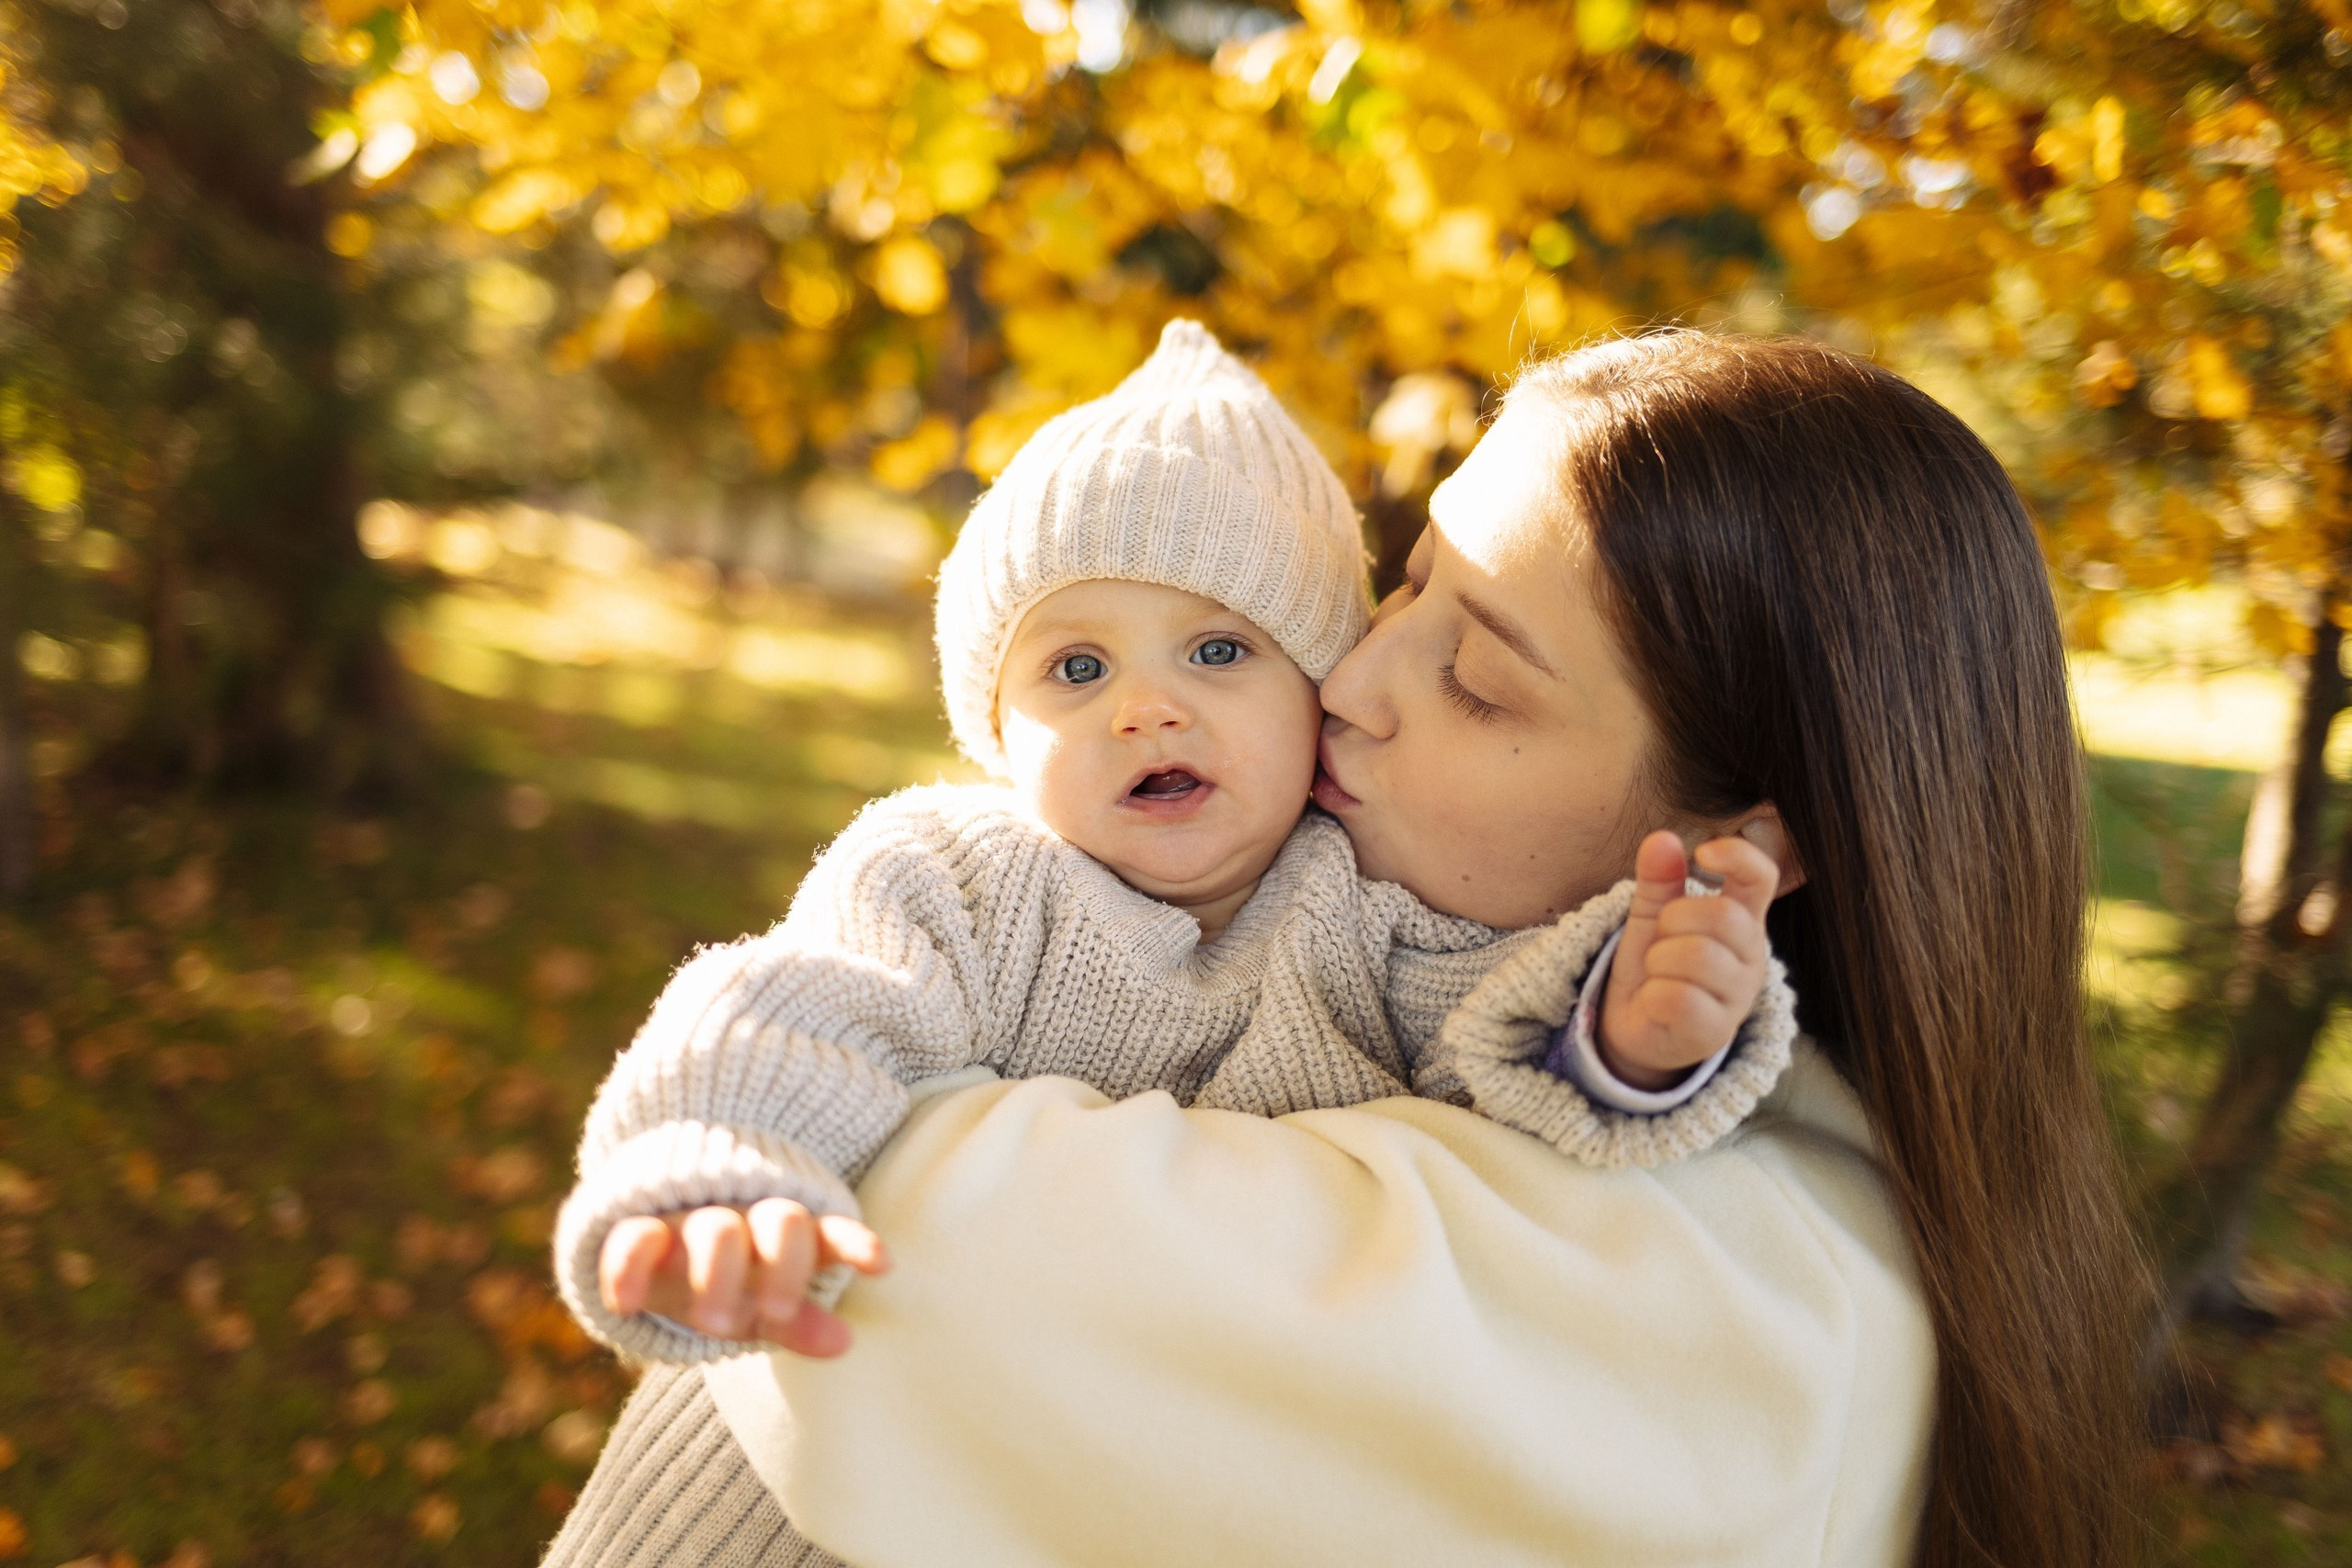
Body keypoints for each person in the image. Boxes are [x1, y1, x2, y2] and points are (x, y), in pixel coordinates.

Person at [560, 331, 2143, 1568]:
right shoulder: (973, 869)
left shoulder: (1718, 1289)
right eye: (1408, 586)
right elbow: (792, 1002)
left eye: (1483, 681)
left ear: (1745, 846)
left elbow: (1513, 1041)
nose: (1361, 678)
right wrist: (712, 1162)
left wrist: (1647, 1039)